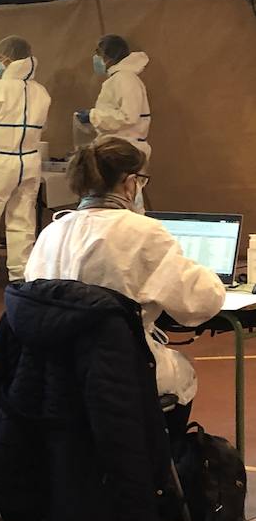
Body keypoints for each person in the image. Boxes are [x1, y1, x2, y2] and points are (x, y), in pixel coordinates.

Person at [24, 136, 223, 409]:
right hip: (118, 372)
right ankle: (164, 449)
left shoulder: (51, 232)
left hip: (52, 375)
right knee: (183, 373)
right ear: (130, 183)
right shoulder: (143, 232)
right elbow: (200, 303)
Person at [0, 36, 51, 289]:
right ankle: (20, 271)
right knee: (23, 217)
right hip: (28, 160)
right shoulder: (41, 91)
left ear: (6, 59)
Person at [75, 34, 151, 208]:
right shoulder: (119, 79)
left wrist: (93, 116)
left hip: (125, 151)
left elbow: (128, 116)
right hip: (119, 149)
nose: (95, 58)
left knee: (127, 203)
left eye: (98, 53)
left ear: (109, 55)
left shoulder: (125, 79)